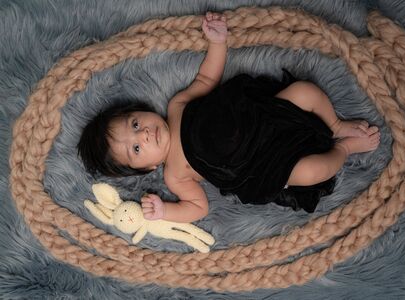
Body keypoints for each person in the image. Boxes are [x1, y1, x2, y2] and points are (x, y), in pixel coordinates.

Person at [78, 12, 380, 223]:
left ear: (139, 110)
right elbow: (198, 208)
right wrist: (165, 212)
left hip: (264, 116)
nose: (143, 134)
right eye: (136, 149)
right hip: (261, 167)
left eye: (134, 124)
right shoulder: (174, 174)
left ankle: (337, 125)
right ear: (148, 167)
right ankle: (345, 148)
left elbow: (208, 78)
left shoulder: (176, 106)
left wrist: (218, 43)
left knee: (304, 91)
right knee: (315, 172)